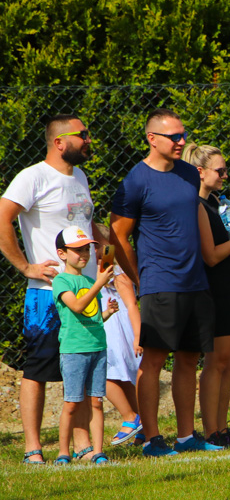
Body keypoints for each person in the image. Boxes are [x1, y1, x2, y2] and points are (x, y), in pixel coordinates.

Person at [110, 108, 222, 457]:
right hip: (160, 283)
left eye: (182, 134)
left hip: (195, 282)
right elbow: (118, 235)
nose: (182, 141)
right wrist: (140, 278)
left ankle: (187, 437)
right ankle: (152, 439)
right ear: (152, 139)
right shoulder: (135, 181)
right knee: (154, 360)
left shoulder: (190, 174)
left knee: (189, 359)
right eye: (174, 136)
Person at [0, 114, 105, 464]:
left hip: (85, 292)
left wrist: (103, 244)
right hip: (48, 295)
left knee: (83, 364)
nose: (89, 139)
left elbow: (82, 225)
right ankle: (33, 447)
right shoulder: (33, 177)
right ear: (60, 142)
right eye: (83, 134)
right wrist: (26, 266)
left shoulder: (81, 177)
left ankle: (82, 443)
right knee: (39, 367)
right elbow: (2, 216)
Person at [183, 143, 230, 447]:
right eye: (220, 170)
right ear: (200, 172)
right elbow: (211, 256)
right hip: (214, 291)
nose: (226, 175)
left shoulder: (218, 203)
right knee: (215, 363)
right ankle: (212, 430)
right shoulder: (196, 207)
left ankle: (223, 429)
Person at [52, 226, 119, 465]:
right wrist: (99, 283)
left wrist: (107, 313)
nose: (84, 254)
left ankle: (98, 451)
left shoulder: (90, 281)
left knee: (96, 402)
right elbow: (78, 306)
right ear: (62, 253)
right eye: (77, 250)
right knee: (71, 403)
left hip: (97, 346)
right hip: (74, 350)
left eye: (86, 249)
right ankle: (63, 452)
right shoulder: (61, 281)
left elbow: (92, 316)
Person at [93, 223, 144, 447]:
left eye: (95, 244)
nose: (89, 249)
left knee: (102, 375)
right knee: (122, 380)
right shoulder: (97, 269)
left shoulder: (115, 270)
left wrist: (137, 336)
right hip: (107, 329)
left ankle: (129, 417)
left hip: (119, 331)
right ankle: (142, 426)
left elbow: (132, 305)